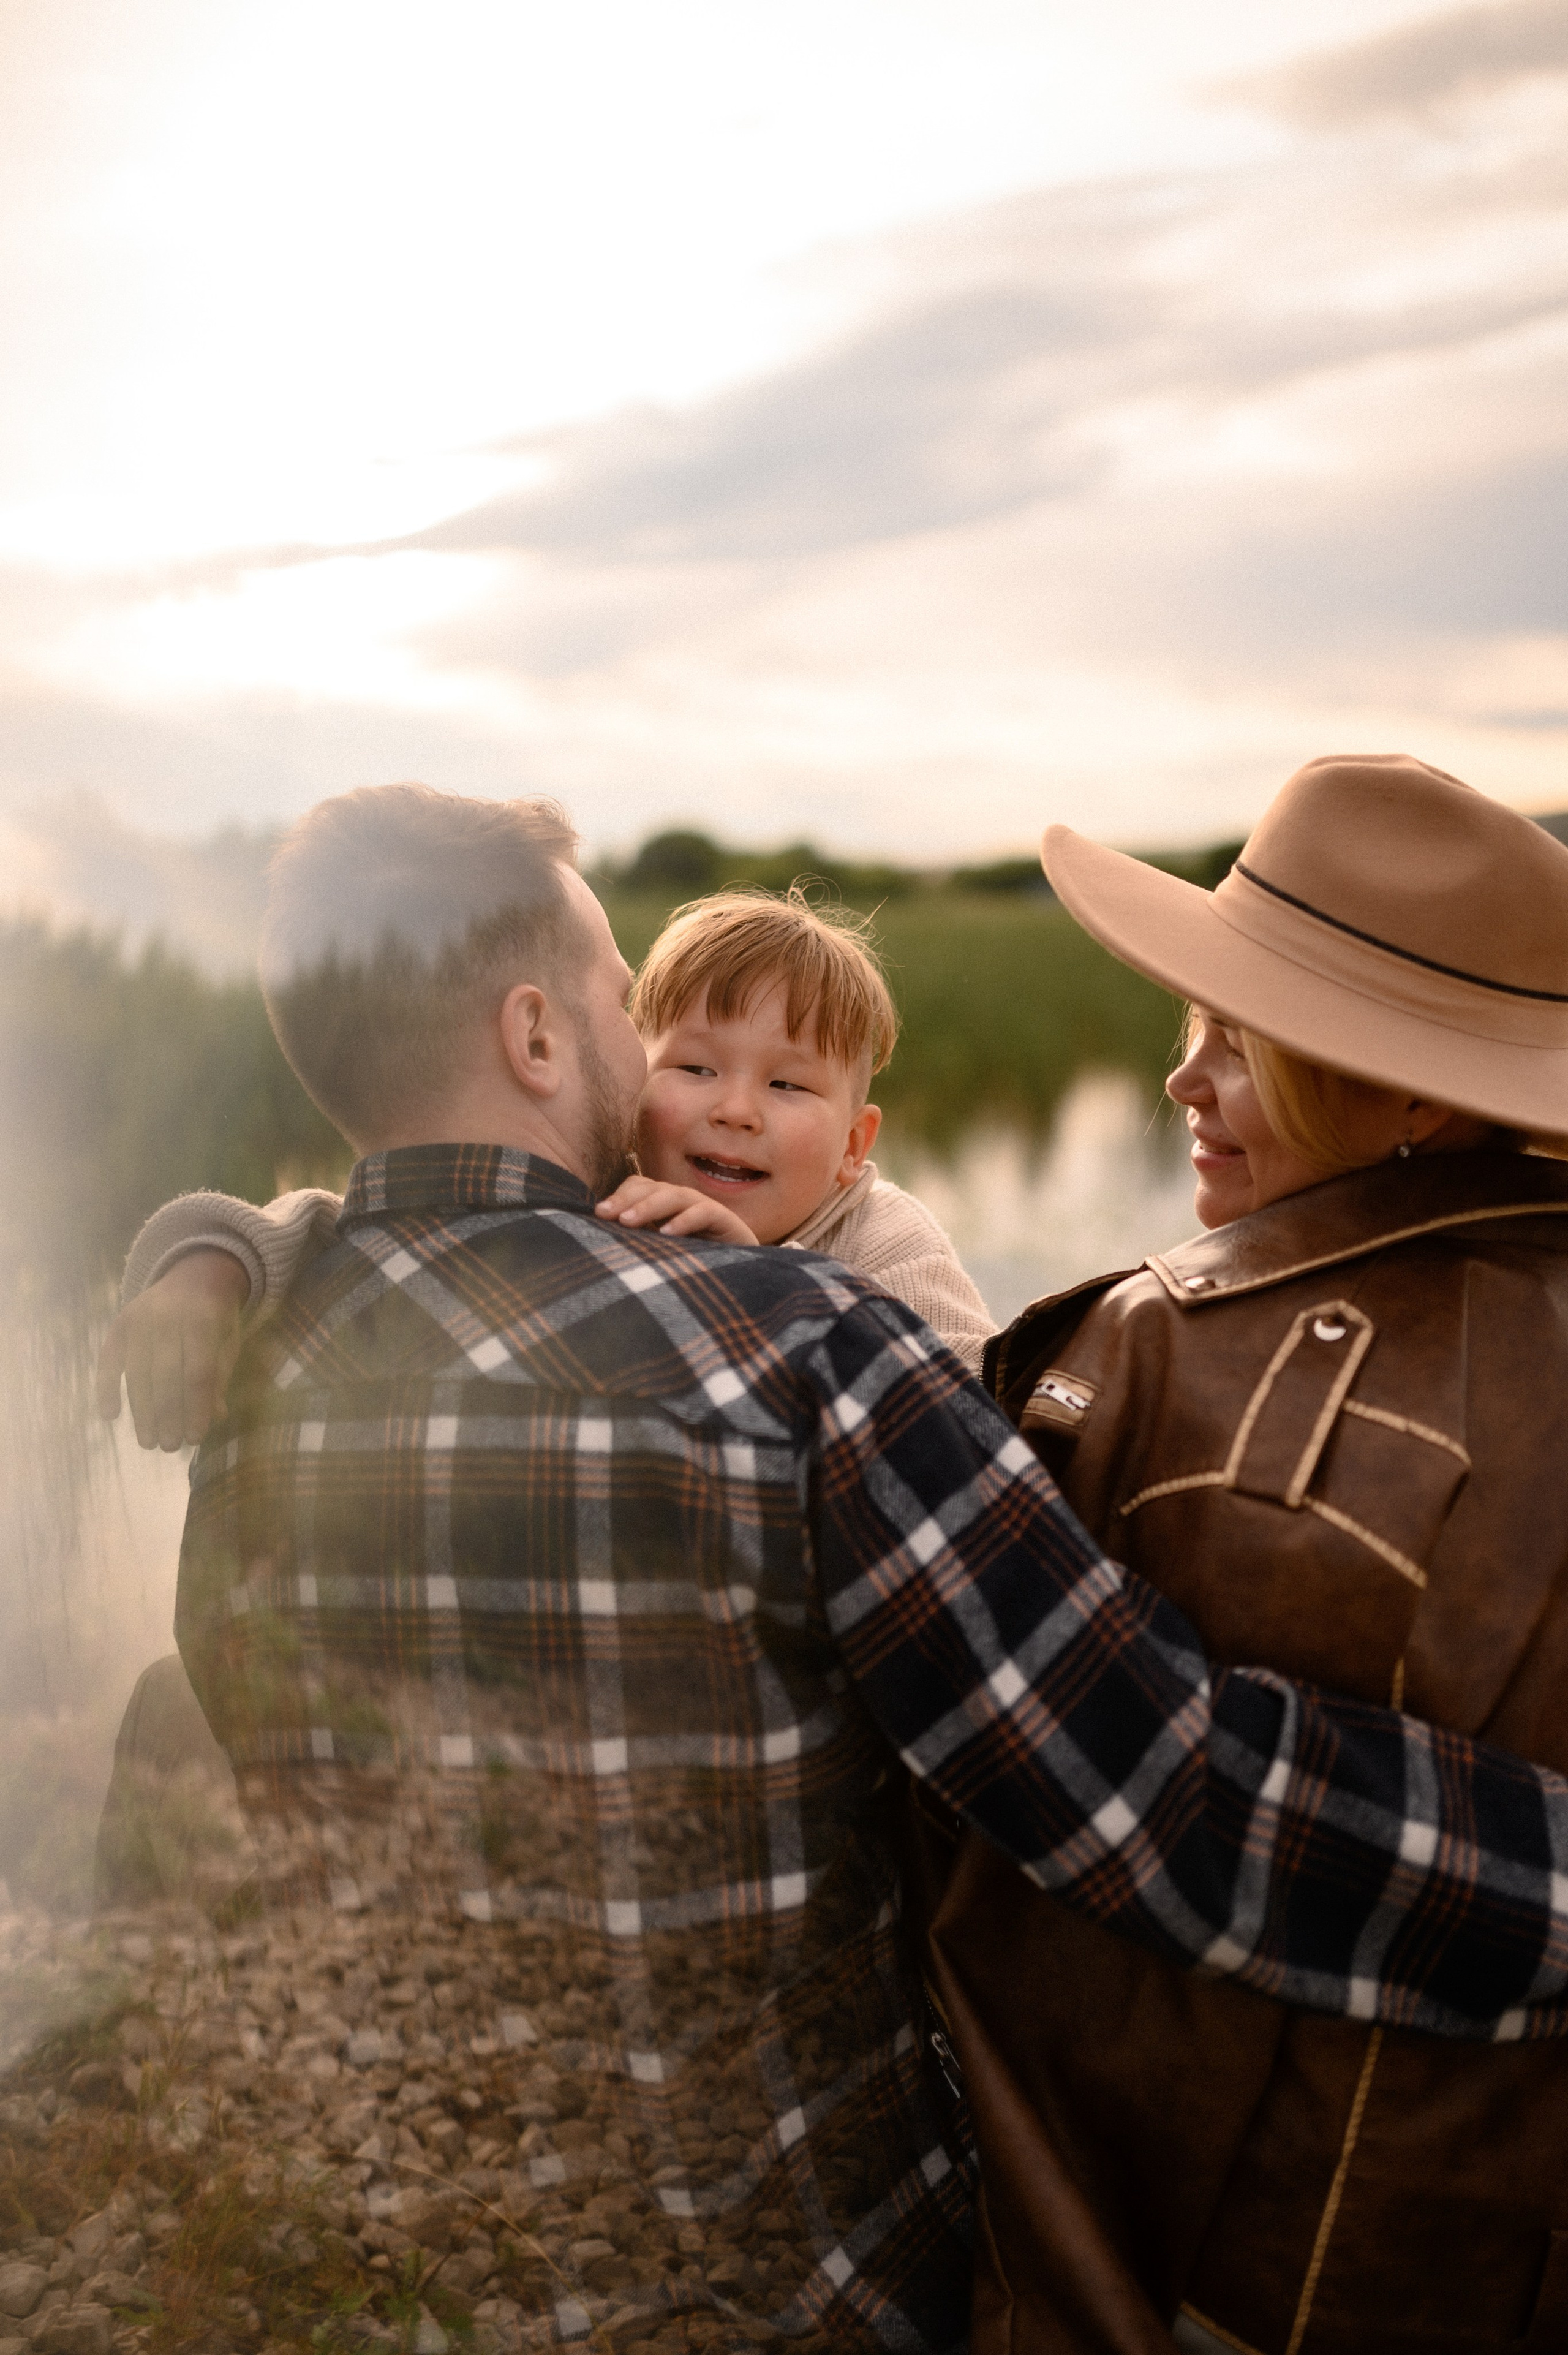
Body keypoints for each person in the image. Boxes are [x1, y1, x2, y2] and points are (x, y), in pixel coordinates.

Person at [92, 781, 1568, 2354]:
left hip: (401, 2271)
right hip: (797, 2286)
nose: (666, 1057)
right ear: (535, 1037)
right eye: (622, 999)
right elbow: (1157, 1797)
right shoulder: (806, 1350)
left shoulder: (245, 1366)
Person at [922, 753, 1568, 2355]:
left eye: (1242, 1039)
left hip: (1197, 2279)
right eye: (1191, 1027)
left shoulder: (1154, 1359)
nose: (1182, 1080)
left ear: (1414, 1093)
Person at [105, 886, 993, 1451]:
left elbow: (979, 1415)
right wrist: (209, 1267)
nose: (736, 1108)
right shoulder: (608, 1183)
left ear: (853, 1147)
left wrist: (770, 1282)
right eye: (694, 1068)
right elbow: (342, 1220)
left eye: (788, 1083)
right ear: (639, 1077)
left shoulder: (883, 1238)